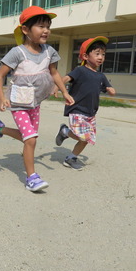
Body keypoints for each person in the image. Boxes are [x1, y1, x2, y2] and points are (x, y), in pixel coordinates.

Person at [0, 6, 74, 192]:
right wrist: (1, 98)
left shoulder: (49, 51)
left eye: (48, 26)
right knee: (31, 139)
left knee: (29, 137)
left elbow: (54, 72)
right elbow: (0, 75)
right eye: (41, 26)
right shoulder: (17, 52)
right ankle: (32, 178)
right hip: (18, 103)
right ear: (25, 30)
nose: (46, 30)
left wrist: (64, 92)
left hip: (35, 103)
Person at [55, 36, 116, 171]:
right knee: (83, 136)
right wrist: (57, 87)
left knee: (87, 139)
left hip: (90, 112)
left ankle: (71, 157)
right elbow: (65, 78)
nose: (101, 57)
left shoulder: (101, 76)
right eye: (97, 53)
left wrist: (110, 90)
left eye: (103, 54)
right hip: (77, 109)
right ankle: (65, 131)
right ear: (85, 56)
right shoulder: (80, 70)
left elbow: (109, 88)